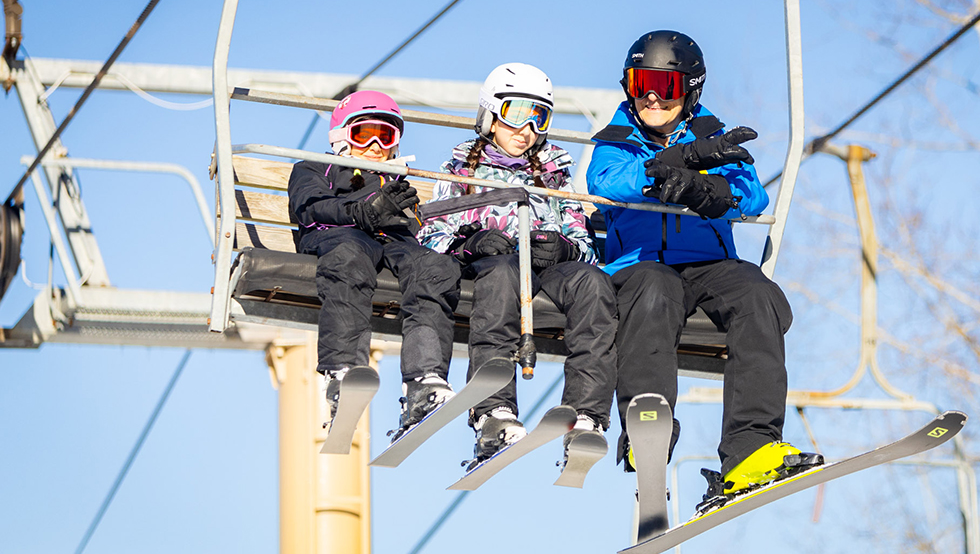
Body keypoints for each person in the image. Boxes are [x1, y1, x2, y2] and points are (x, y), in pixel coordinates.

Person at [586, 30, 821, 504]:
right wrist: (670, 166)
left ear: (690, 90)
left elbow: (753, 195)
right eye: (641, 84)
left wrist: (713, 192)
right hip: (641, 264)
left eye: (666, 86)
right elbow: (606, 180)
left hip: (709, 263)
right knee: (655, 291)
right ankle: (648, 424)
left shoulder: (713, 137)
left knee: (758, 294)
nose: (652, 98)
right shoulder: (619, 139)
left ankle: (751, 448)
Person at [418, 63, 617, 469]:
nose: (526, 128)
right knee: (502, 275)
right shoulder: (463, 170)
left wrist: (564, 249)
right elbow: (432, 235)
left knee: (593, 283)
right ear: (491, 115)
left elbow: (584, 244)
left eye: (538, 117)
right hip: (494, 265)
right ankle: (494, 409)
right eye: (515, 113)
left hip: (546, 268)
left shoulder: (554, 174)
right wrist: (470, 244)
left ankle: (586, 414)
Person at [288, 90, 461, 437]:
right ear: (342, 136)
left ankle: (424, 378)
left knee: (436, 268)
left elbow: (417, 233)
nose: (376, 146)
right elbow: (310, 207)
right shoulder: (314, 167)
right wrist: (362, 210)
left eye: (386, 136)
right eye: (364, 134)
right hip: (340, 236)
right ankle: (343, 370)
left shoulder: (396, 184)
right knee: (349, 259)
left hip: (390, 245)